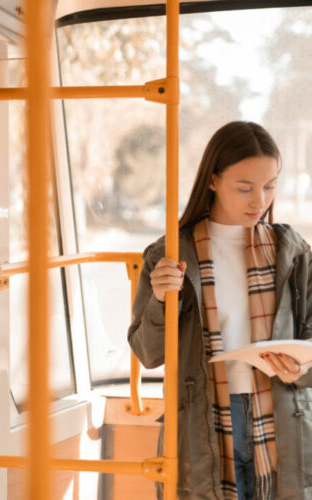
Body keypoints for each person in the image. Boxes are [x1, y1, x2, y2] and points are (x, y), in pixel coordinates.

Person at [128, 121, 312, 500]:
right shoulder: (171, 255)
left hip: (281, 423)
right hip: (203, 426)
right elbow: (148, 353)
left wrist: (303, 366)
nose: (259, 200)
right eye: (244, 187)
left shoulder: (292, 251)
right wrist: (163, 299)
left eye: (269, 185)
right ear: (212, 180)